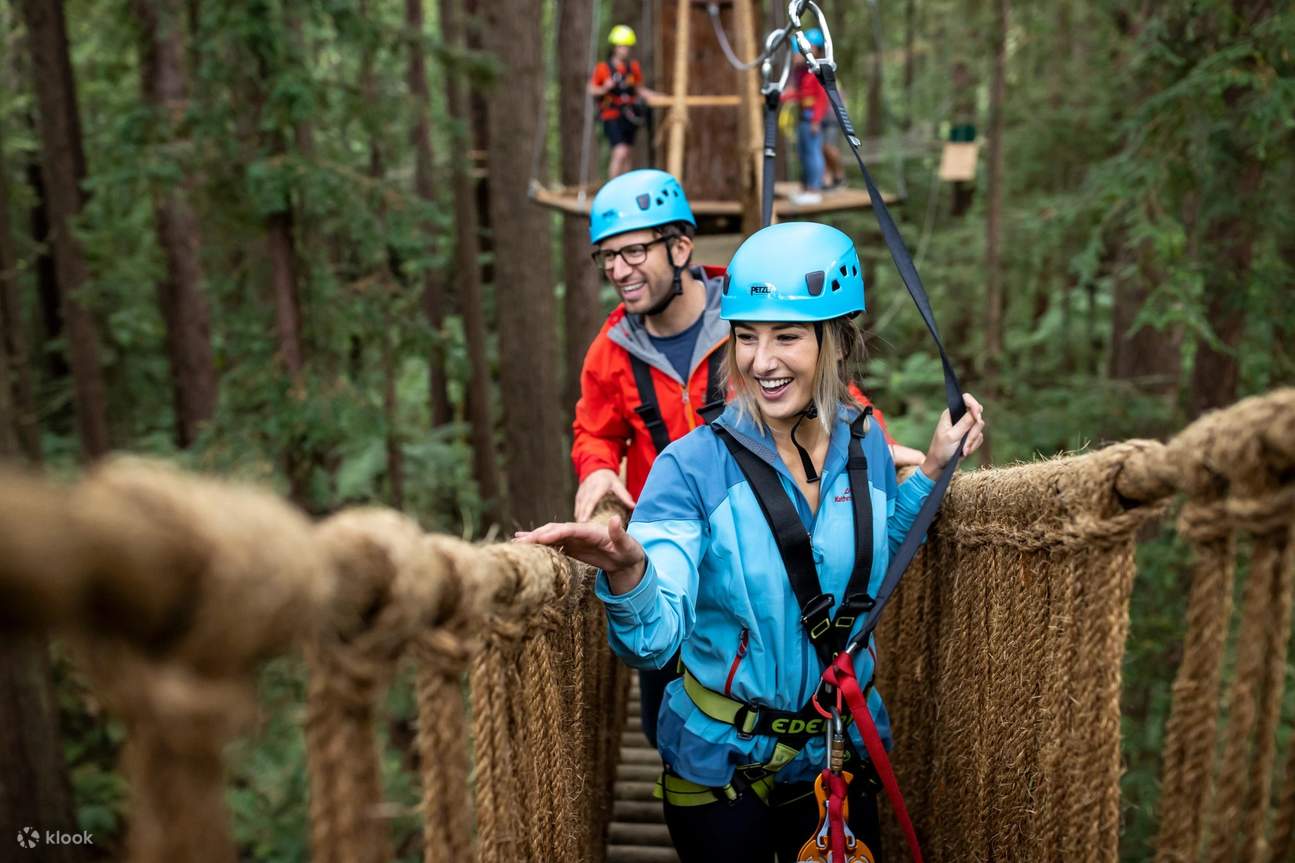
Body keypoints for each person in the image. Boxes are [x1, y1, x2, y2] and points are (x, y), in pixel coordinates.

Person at [520, 221, 985, 862]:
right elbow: (653, 640)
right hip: (722, 768)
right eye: (745, 336)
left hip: (837, 754)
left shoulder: (865, 445)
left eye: (786, 336)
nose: (761, 361)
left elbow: (875, 564)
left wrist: (930, 471)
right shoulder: (690, 468)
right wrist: (629, 574)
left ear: (836, 340)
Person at [571, 173, 919, 758]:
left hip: (756, 550)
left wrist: (875, 448)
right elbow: (596, 428)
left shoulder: (748, 317)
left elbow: (829, 396)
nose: (619, 270)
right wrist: (597, 467)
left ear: (680, 248)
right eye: (607, 257)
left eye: (633, 251)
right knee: (662, 712)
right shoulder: (611, 352)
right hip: (667, 552)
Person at [588, 25, 662, 179]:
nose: (625, 50)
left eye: (627, 46)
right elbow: (591, 89)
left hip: (629, 115)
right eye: (622, 46)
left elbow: (639, 89)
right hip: (610, 115)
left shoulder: (633, 68)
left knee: (627, 153)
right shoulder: (603, 68)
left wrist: (658, 97)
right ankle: (613, 186)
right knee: (619, 151)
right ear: (615, 47)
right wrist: (604, 88)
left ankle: (625, 187)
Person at [781, 28, 830, 205]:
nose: (795, 57)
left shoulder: (817, 70)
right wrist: (784, 96)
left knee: (812, 152)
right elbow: (802, 94)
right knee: (803, 152)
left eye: (797, 54)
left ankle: (814, 189)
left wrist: (816, 119)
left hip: (811, 117)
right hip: (804, 115)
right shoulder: (803, 72)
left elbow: (822, 98)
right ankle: (806, 187)